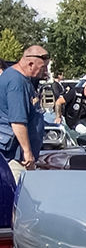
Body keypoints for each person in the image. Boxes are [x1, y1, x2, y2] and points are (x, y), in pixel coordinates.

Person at [0, 45, 49, 177]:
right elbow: (17, 121)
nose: (45, 71)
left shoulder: (20, 78)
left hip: (16, 155)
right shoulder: (17, 82)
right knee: (18, 194)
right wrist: (27, 152)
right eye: (43, 67)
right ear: (30, 64)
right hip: (14, 158)